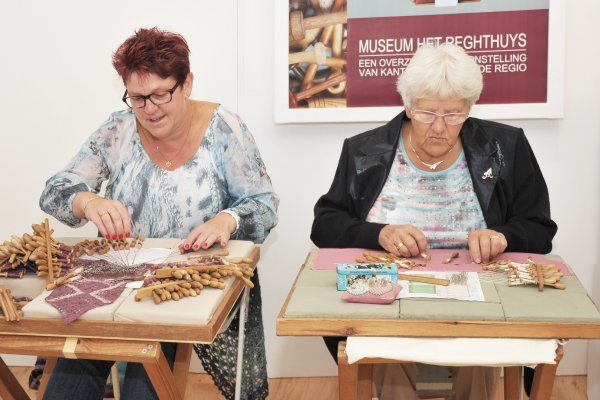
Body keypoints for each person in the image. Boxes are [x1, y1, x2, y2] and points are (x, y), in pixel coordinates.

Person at [39, 27, 278, 400]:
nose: (149, 109)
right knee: (65, 387)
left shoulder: (225, 129)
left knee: (143, 385)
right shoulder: (118, 129)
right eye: (138, 98)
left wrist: (225, 220)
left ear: (186, 84)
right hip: (117, 278)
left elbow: (263, 205)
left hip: (187, 284)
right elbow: (55, 190)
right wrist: (90, 202)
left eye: (160, 94)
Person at [310, 43, 556, 400]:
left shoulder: (506, 146)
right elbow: (325, 225)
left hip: (481, 304)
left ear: (469, 108)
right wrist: (381, 233)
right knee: (392, 360)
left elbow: (540, 228)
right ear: (408, 105)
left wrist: (503, 236)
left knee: (481, 360)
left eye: (454, 115)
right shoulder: (365, 151)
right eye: (426, 113)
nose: (439, 127)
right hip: (391, 301)